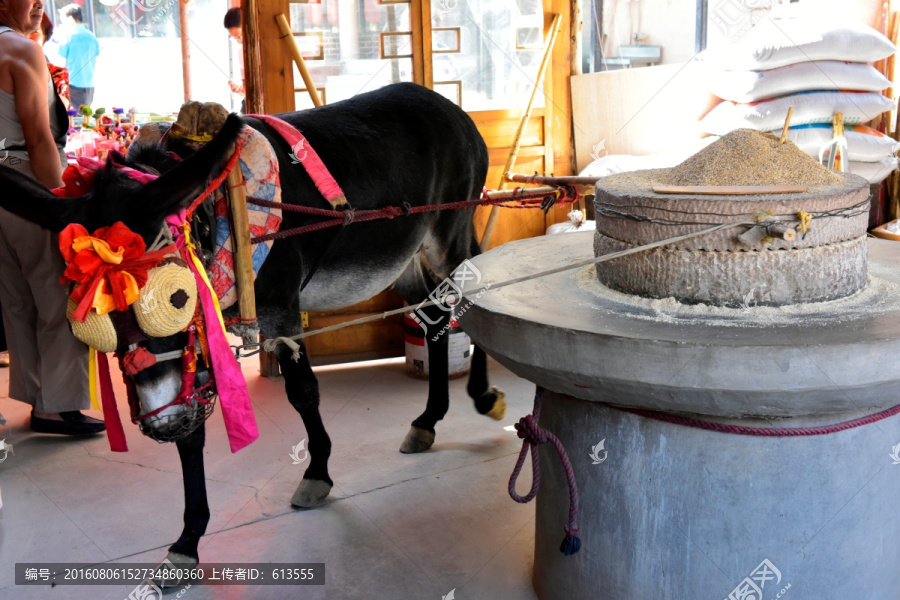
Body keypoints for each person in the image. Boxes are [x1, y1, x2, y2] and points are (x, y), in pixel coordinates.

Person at [0, 0, 102, 434]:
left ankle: (35, 390)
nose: (39, 1)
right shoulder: (21, 51)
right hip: (27, 181)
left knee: (15, 296)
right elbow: (40, 138)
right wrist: (63, 203)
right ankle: (56, 406)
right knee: (60, 291)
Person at [56, 4, 96, 112]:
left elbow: (60, 63)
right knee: (85, 116)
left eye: (63, 19)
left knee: (74, 119)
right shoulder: (91, 36)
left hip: (73, 84)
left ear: (70, 18)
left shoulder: (68, 36)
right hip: (89, 85)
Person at [223, 7, 245, 113]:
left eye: (239, 36)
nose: (238, 41)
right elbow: (247, 89)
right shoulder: (241, 52)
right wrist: (239, 90)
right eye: (235, 38)